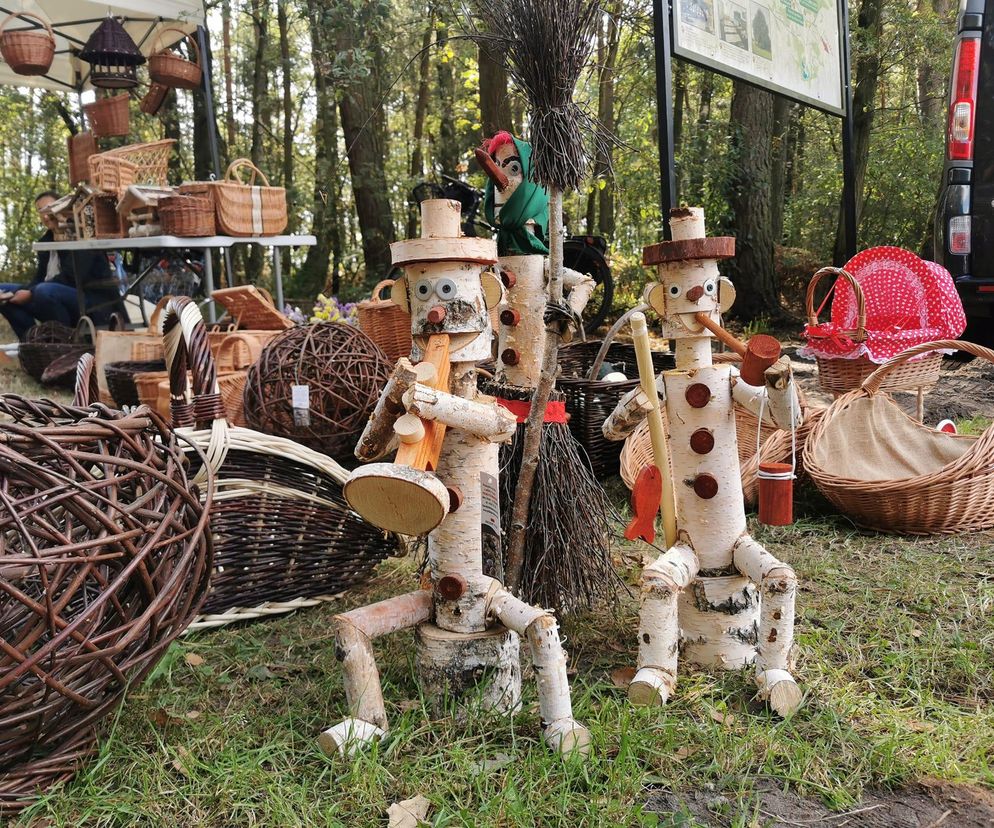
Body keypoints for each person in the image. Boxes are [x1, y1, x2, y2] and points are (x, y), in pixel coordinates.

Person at [0, 190, 122, 340]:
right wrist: (20, 292)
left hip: (93, 301)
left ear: (62, 209)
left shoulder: (81, 234)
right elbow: (39, 277)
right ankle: (34, 343)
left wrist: (31, 293)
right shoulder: (46, 241)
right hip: (51, 295)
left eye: (50, 209)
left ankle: (64, 343)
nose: (46, 215)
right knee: (3, 291)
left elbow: (72, 277)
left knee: (43, 291)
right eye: (41, 211)